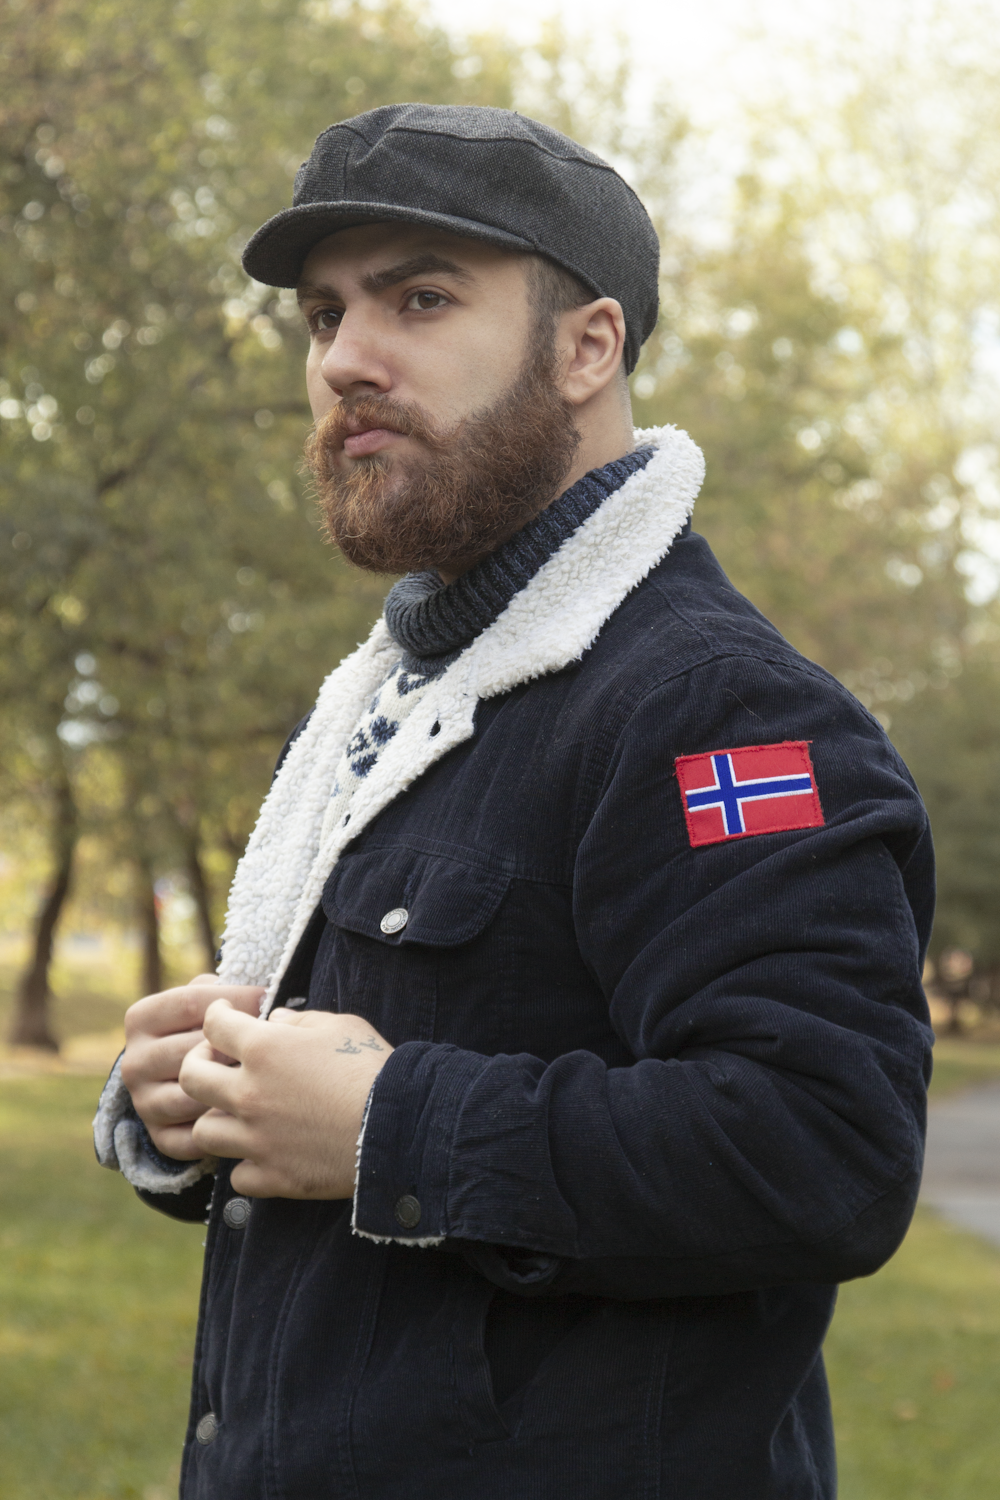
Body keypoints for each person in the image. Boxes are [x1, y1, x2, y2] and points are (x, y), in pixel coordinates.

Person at [94, 104, 934, 1500]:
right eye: (321, 317)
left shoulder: (717, 708)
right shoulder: (395, 708)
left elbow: (824, 1149)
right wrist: (215, 1096)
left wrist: (386, 1128)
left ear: (587, 346)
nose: (347, 361)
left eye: (421, 298)